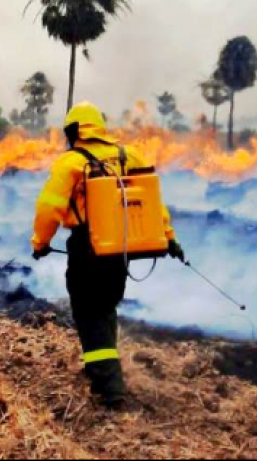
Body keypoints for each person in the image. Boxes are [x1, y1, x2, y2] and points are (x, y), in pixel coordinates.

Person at [30, 101, 185, 407]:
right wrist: (169, 238)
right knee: (105, 308)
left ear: (73, 132)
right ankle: (99, 370)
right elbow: (153, 203)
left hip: (88, 249)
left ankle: (110, 389)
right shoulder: (131, 156)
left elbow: (49, 207)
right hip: (121, 251)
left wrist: (40, 243)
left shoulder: (72, 162)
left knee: (89, 313)